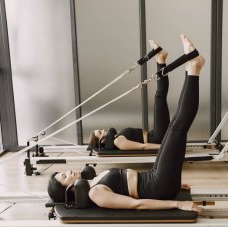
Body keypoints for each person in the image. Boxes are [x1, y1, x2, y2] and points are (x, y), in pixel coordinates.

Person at [48, 34, 205, 213]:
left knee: (176, 126)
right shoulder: (95, 194)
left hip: (156, 178)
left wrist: (172, 182)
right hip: (157, 185)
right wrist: (178, 203)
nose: (68, 173)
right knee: (177, 126)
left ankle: (192, 67)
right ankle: (193, 69)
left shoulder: (94, 181)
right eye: (64, 176)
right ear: (67, 189)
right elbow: (136, 204)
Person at [88, 40, 170, 151]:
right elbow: (143, 147)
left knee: (160, 97)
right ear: (101, 140)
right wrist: (167, 148)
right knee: (159, 97)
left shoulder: (117, 136)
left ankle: (161, 59)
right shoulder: (118, 142)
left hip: (154, 134)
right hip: (157, 138)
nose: (103, 130)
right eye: (100, 132)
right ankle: (161, 59)